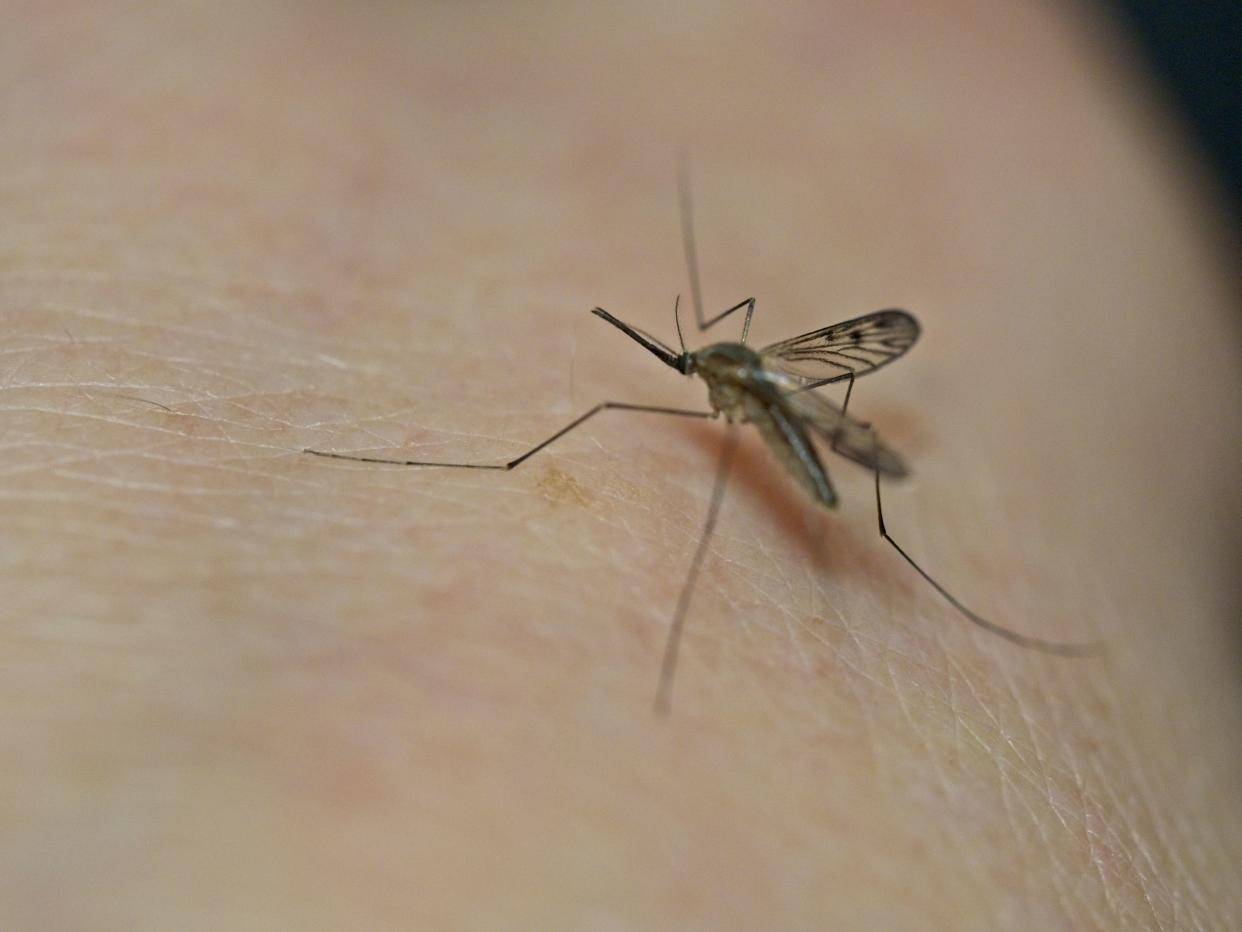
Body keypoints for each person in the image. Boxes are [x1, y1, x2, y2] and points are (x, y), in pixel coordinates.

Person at [4, 3, 1239, 927]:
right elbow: (786, 341)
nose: (696, 359)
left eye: (707, 356)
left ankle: (861, 585)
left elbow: (818, 387)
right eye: (709, 355)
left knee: (710, 484)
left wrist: (777, 421)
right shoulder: (728, 354)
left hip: (807, 450)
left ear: (720, 365)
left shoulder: (745, 385)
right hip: (798, 380)